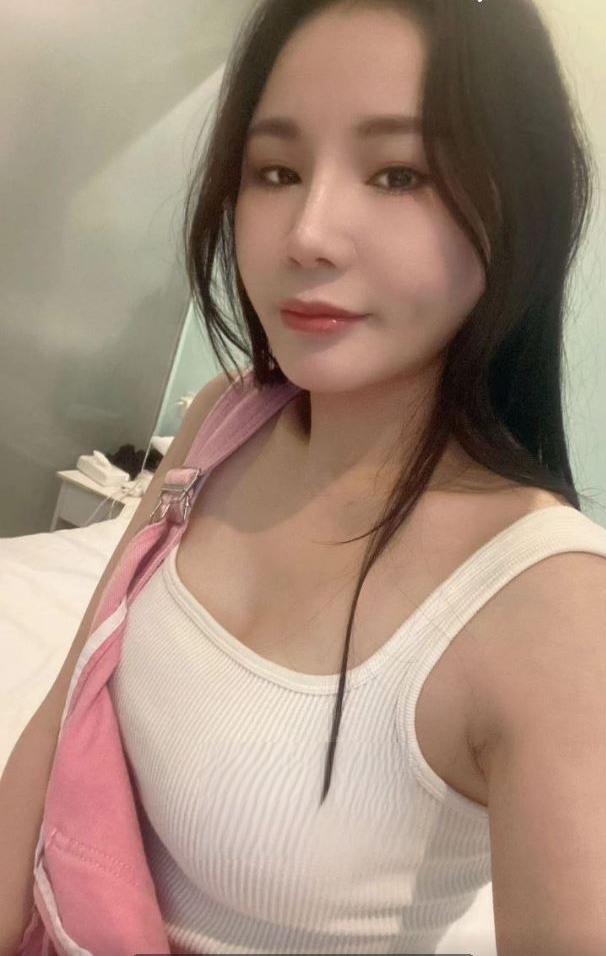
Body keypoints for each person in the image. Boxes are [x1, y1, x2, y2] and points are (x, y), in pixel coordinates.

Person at [3, 1, 606, 954]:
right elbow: (64, 706)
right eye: (276, 171)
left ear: (517, 205)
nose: (308, 234)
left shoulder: (554, 613)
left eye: (399, 173)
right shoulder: (224, 417)